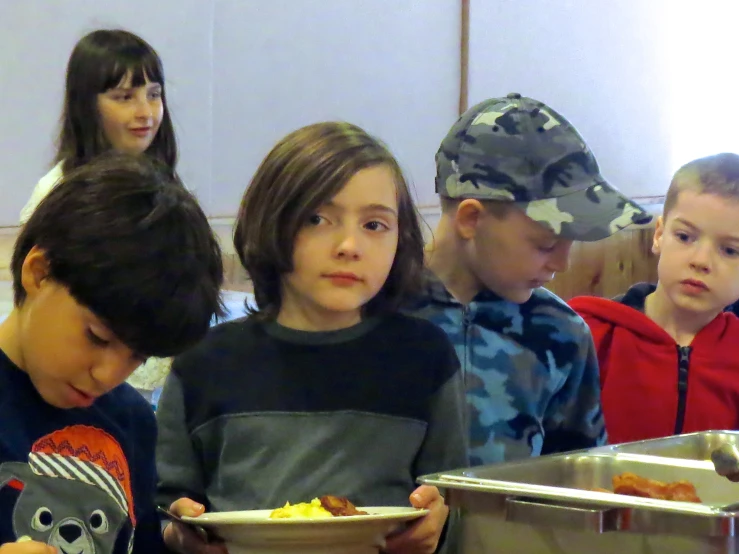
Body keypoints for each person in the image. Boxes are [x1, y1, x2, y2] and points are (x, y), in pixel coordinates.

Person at [156, 122, 468, 554]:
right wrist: (178, 532)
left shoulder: (425, 357)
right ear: (271, 222)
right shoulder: (204, 362)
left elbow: (451, 504)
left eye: (375, 224)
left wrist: (437, 526)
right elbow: (165, 506)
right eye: (317, 219)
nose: (348, 245)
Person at [408, 93, 653, 465]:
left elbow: (580, 478)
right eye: (546, 243)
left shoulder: (562, 333)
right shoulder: (378, 311)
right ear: (471, 219)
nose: (562, 263)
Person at [0, 152, 224, 553]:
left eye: (137, 357)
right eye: (98, 337)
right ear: (38, 272)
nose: (108, 375)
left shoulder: (130, 421)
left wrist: (175, 541)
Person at [570, 153, 739, 444]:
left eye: (730, 250)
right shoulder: (588, 332)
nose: (701, 261)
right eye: (685, 237)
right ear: (659, 235)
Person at [20, 29, 177, 224]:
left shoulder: (169, 187)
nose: (146, 113)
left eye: (153, 95)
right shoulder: (54, 193)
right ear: (86, 106)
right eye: (125, 97)